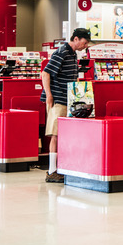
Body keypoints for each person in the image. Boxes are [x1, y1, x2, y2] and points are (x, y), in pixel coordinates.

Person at [40, 28, 91, 183]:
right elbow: (45, 73)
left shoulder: (72, 54)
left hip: (68, 99)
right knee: (55, 135)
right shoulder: (61, 52)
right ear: (76, 38)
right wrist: (49, 95)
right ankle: (52, 171)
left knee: (62, 135)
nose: (86, 45)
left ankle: (60, 168)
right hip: (58, 99)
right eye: (85, 42)